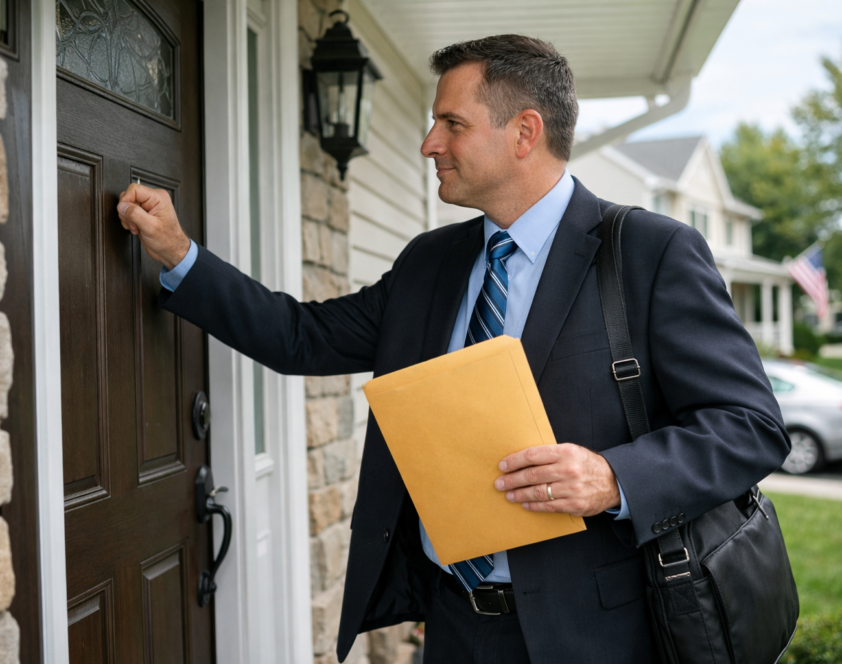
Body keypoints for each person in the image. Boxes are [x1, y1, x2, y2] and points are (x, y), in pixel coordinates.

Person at [116, 35, 789, 664]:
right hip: (454, 624)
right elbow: (302, 337)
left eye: (452, 124)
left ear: (524, 132)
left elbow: (750, 428)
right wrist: (180, 255)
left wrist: (614, 478)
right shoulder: (429, 263)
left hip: (596, 631)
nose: (428, 143)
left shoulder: (650, 251)